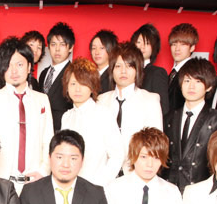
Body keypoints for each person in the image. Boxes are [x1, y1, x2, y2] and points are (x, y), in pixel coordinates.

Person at [0, 37, 54, 193]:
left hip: (34, 183)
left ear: (29, 67)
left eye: (19, 65)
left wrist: (43, 171)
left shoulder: (42, 100)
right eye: (8, 65)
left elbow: (48, 140)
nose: (13, 71)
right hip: (0, 183)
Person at [98, 42, 163, 172]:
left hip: (135, 173)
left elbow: (155, 145)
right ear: (111, 69)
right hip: (104, 173)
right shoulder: (101, 100)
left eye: (129, 66)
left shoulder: (150, 100)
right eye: (118, 66)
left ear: (138, 70)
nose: (123, 71)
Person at [165, 58, 217, 193]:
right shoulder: (170, 117)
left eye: (198, 81)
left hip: (201, 190)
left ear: (209, 86)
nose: (191, 87)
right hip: (170, 190)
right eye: (187, 81)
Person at [60, 57, 124, 186]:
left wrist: (99, 184)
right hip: (69, 186)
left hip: (96, 186)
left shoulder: (103, 114)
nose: (77, 89)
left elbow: (117, 155)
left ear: (92, 87)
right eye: (73, 84)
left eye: (83, 84)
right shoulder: (67, 117)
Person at [39, 22, 75, 131]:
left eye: (62, 44)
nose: (57, 49)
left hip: (63, 131)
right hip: (40, 129)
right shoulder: (44, 74)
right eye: (53, 44)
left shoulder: (74, 73)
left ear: (70, 47)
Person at [132, 23, 169, 119]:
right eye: (139, 42)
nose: (142, 47)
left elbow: (163, 108)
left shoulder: (157, 73)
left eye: (147, 43)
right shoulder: (126, 72)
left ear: (154, 47)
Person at [167, 23, 199, 113]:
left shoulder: (193, 72)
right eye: (174, 44)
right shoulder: (173, 72)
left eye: (183, 44)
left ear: (192, 47)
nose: (177, 49)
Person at [89, 29, 118, 94]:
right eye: (94, 48)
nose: (97, 52)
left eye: (102, 48)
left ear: (112, 49)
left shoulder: (114, 76)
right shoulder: (89, 75)